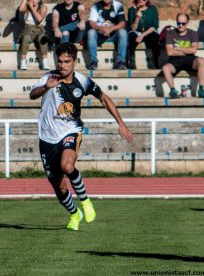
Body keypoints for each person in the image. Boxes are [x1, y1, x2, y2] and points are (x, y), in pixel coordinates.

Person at [29, 43, 133, 231]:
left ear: (75, 62)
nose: (63, 65)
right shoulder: (48, 77)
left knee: (67, 166)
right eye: (59, 61)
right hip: (46, 138)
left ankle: (85, 202)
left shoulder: (82, 81)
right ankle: (75, 213)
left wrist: (121, 123)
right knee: (59, 188)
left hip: (71, 131)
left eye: (67, 62)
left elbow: (104, 97)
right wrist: (46, 86)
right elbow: (32, 95)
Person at [162, 13, 204, 99]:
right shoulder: (170, 33)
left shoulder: (193, 33)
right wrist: (187, 50)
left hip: (190, 59)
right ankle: (173, 90)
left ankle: (201, 89)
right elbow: (170, 52)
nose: (180, 25)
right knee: (165, 68)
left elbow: (194, 50)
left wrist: (178, 48)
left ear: (187, 23)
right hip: (175, 60)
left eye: (183, 23)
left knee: (201, 60)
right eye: (178, 23)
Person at [87, 0, 128, 70]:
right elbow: (91, 23)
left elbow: (122, 23)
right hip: (100, 35)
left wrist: (111, 28)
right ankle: (93, 62)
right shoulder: (95, 6)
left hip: (113, 35)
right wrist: (101, 28)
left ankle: (121, 62)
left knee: (123, 32)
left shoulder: (118, 5)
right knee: (91, 32)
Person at [127, 0, 160, 69]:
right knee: (131, 36)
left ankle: (155, 61)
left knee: (154, 37)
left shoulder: (152, 9)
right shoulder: (131, 10)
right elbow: (132, 28)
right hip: (137, 32)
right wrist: (137, 18)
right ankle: (132, 61)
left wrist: (142, 35)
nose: (141, 0)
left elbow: (155, 26)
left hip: (149, 32)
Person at [18, 0, 50, 70]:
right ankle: (23, 61)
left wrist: (31, 8)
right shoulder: (26, 8)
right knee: (25, 38)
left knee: (42, 38)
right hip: (28, 29)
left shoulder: (43, 7)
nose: (34, 1)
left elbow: (39, 19)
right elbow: (20, 9)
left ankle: (45, 62)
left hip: (40, 29)